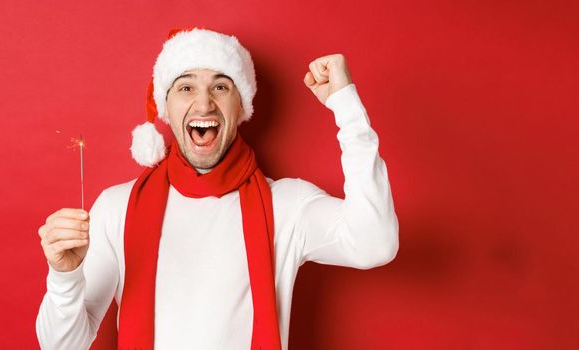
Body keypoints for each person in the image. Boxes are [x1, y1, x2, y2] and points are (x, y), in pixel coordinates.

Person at [35, 27, 399, 350]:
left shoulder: (288, 205)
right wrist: (64, 276)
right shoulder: (117, 206)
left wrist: (346, 107)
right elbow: (61, 345)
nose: (204, 102)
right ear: (166, 106)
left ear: (242, 104)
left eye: (221, 86)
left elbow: (375, 244)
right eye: (186, 87)